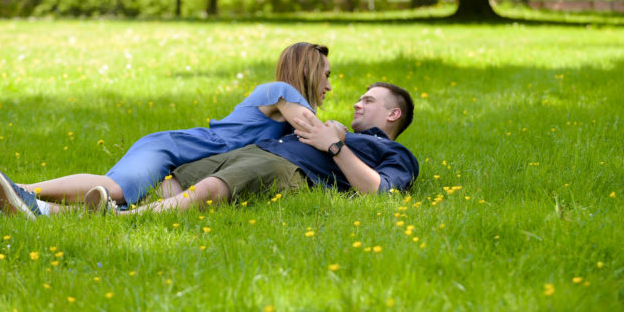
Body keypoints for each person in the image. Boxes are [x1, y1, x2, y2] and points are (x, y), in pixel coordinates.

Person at [0, 42, 332, 219]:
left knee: (124, 203)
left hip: (190, 162)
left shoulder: (284, 103)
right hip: (173, 147)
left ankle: (36, 208)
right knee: (117, 189)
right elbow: (313, 129)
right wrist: (337, 131)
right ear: (308, 70)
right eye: (326, 75)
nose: (329, 86)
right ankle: (18, 191)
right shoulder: (281, 92)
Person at [85, 82, 418, 215]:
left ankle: (124, 219)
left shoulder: (397, 154)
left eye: (368, 100)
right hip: (255, 150)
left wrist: (334, 146)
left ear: (393, 114)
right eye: (360, 98)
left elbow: (379, 191)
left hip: (286, 168)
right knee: (169, 185)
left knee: (212, 189)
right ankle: (63, 212)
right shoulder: (339, 129)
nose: (357, 104)